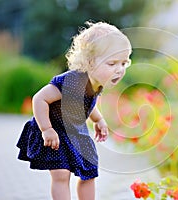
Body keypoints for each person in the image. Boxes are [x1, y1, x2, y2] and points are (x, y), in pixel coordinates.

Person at [16, 21, 132, 200]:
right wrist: (46, 129)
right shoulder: (71, 81)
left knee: (89, 171)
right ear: (90, 62)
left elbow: (86, 103)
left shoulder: (97, 83)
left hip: (76, 132)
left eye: (124, 63)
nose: (120, 70)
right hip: (55, 131)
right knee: (61, 173)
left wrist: (98, 119)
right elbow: (40, 99)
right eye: (112, 63)